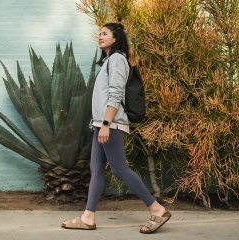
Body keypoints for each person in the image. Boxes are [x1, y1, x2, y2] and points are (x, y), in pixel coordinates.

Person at [61, 22, 171, 234]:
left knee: (120, 169)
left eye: (104, 33)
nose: (100, 36)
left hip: (108, 124)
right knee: (97, 171)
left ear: (115, 38)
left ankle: (157, 209)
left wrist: (106, 124)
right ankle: (88, 217)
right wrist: (100, 124)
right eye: (99, 33)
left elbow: (116, 94)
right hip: (100, 124)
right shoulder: (108, 61)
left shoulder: (118, 59)